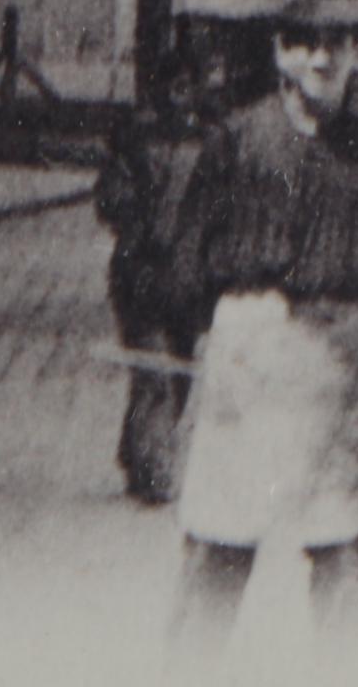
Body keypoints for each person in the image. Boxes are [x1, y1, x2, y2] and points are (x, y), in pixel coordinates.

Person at [163, 0, 358, 656]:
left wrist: (351, 329)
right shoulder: (237, 140)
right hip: (250, 351)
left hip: (336, 357)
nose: (323, 56)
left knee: (339, 543)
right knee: (221, 540)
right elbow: (189, 252)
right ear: (281, 51)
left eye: (339, 42)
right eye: (307, 41)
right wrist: (214, 335)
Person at [96, 53, 216, 504]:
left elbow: (223, 206)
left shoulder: (212, 141)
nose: (178, 96)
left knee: (179, 373)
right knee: (154, 372)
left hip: (189, 279)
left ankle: (136, 450)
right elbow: (109, 196)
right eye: (172, 87)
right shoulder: (132, 139)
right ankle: (154, 470)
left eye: (187, 86)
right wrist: (138, 223)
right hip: (140, 273)